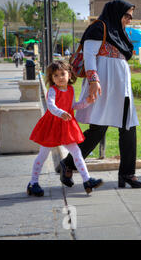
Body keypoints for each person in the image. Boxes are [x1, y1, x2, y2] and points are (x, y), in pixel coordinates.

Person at [56, 0, 141, 189]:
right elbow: (89, 55)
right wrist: (94, 80)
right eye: (126, 15)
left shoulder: (119, 34)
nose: (129, 20)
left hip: (121, 89)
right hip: (102, 86)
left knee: (129, 128)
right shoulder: (99, 27)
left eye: (131, 16)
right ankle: (68, 164)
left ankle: (127, 174)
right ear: (116, 12)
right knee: (98, 129)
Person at [28, 61, 103, 197]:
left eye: (63, 74)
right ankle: (33, 183)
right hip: (51, 126)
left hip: (66, 126)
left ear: (69, 74)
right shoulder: (52, 90)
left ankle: (87, 180)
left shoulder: (70, 89)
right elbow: (50, 106)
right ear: (52, 78)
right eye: (56, 75)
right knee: (43, 155)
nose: (60, 77)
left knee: (77, 153)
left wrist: (87, 102)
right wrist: (61, 113)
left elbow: (73, 105)